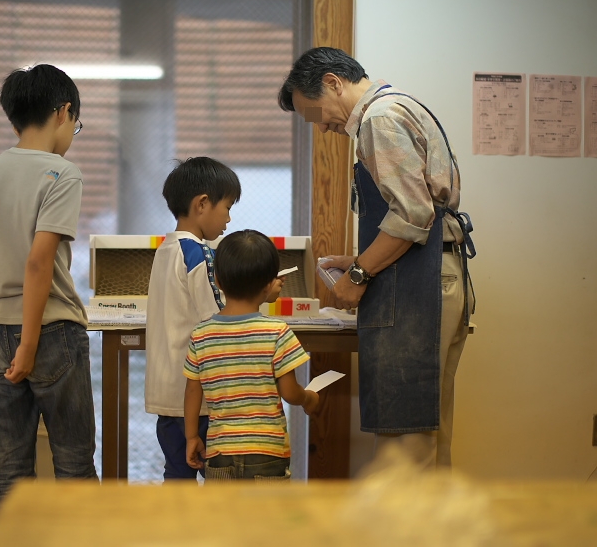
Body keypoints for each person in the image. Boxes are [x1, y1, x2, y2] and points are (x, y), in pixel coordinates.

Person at [278, 47, 475, 468]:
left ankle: (396, 532)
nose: (322, 127)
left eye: (314, 113)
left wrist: (360, 273)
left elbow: (412, 213)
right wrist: (358, 258)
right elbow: (420, 214)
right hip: (434, 271)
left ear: (333, 82)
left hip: (422, 283)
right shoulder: (402, 106)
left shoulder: (379, 119)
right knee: (427, 424)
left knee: (405, 429)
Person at [0, 64, 98, 508]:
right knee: (74, 462)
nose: (73, 134)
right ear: (63, 112)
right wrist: (29, 343)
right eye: (76, 124)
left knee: (9, 467)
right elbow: (39, 263)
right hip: (51, 331)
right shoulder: (63, 173)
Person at [183, 229, 319, 481]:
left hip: (219, 454)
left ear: (218, 281)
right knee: (265, 520)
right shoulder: (277, 332)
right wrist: (309, 399)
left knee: (224, 520)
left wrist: (192, 437)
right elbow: (290, 393)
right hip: (267, 453)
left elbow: (192, 391)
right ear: (270, 284)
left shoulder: (201, 334)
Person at [144, 156, 241, 481]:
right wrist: (256, 297)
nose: (228, 219)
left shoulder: (165, 250)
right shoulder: (199, 254)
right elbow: (216, 319)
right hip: (195, 396)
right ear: (202, 204)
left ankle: (173, 531)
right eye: (226, 207)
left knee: (177, 474)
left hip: (165, 393)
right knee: (219, 477)